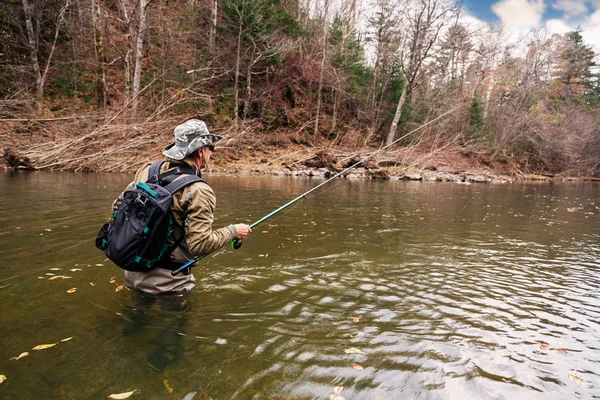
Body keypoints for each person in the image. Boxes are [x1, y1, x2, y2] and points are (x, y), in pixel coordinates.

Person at [116, 119, 251, 369]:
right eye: (211, 148)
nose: (211, 153)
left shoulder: (146, 171)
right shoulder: (199, 190)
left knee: (137, 319)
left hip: (132, 271)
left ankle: (129, 352)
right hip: (170, 283)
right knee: (173, 335)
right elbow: (199, 245)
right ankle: (166, 370)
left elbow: (118, 209)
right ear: (201, 151)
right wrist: (234, 231)